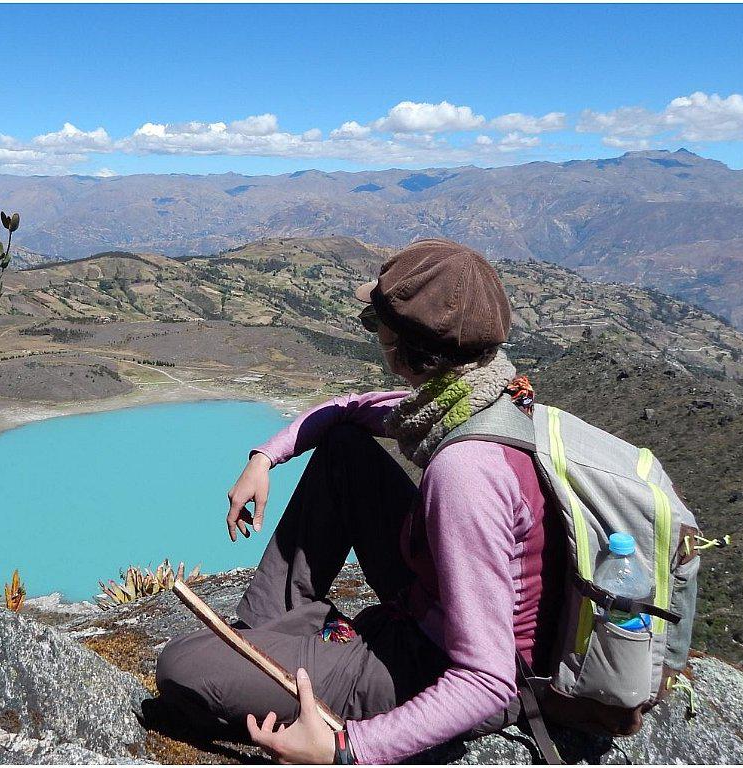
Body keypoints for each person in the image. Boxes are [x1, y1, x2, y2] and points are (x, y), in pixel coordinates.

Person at [155, 238, 566, 764]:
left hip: (433, 663)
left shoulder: (466, 471)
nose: (374, 332)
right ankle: (270, 638)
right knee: (345, 449)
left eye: (378, 323)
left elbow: (486, 679)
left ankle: (277, 651)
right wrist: (265, 458)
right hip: (437, 596)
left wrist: (344, 749)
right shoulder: (487, 396)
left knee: (183, 667)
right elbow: (349, 411)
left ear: (407, 347)